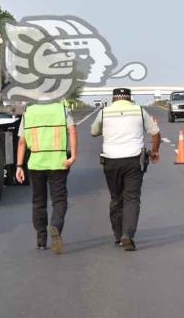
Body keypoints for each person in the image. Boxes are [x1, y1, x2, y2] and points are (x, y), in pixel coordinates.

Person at [90, 88, 161, 251]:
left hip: (110, 160)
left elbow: (93, 132)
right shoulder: (139, 110)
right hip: (134, 160)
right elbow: (156, 132)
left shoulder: (105, 112)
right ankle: (127, 234)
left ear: (113, 99)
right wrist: (155, 151)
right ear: (130, 99)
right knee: (132, 198)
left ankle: (118, 236)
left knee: (116, 198)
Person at [16, 101, 78, 253]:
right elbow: (72, 131)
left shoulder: (28, 112)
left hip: (36, 164)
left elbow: (22, 142)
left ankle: (41, 240)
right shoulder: (62, 109)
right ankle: (55, 225)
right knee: (59, 199)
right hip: (58, 163)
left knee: (38, 202)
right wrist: (73, 156)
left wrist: (19, 166)